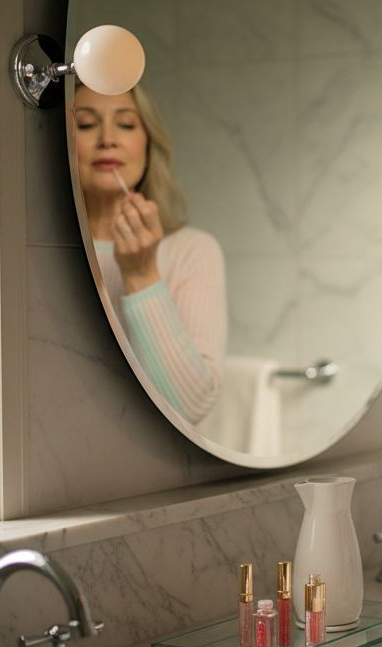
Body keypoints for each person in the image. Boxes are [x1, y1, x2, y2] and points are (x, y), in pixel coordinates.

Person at [73, 83, 227, 425]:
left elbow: (190, 407)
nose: (107, 139)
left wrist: (141, 275)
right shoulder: (40, 252)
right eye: (85, 124)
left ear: (148, 143)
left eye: (126, 124)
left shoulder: (192, 251)